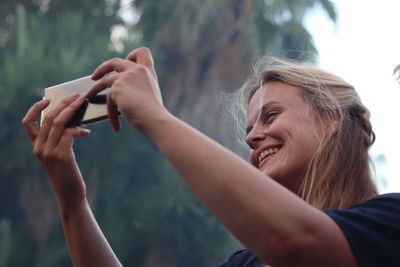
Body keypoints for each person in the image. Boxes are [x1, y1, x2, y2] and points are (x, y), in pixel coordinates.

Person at [22, 47, 400, 267]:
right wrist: (71, 202)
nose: (252, 137)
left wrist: (155, 116)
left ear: (332, 119)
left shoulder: (390, 222)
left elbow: (296, 244)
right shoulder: (248, 263)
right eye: (249, 128)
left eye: (271, 116)